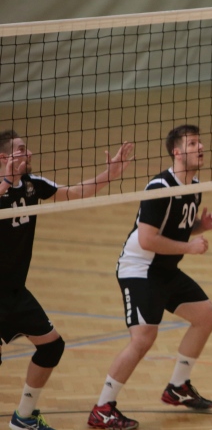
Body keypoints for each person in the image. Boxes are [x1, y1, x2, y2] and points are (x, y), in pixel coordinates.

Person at [87, 125, 212, 430]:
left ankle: (178, 387)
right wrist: (190, 247)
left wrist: (201, 226)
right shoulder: (159, 187)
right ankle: (102, 409)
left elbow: (177, 227)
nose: (200, 147)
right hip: (139, 269)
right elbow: (148, 239)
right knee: (143, 338)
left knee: (206, 316)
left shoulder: (193, 185)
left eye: (200, 142)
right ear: (177, 152)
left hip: (164, 270)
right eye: (192, 143)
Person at [0, 130, 134, 430]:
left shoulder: (32, 185)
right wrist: (5, 183)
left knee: (52, 346)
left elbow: (73, 192)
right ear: (4, 157)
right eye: (21, 149)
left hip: (14, 291)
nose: (29, 153)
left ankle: (23, 417)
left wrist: (109, 175)